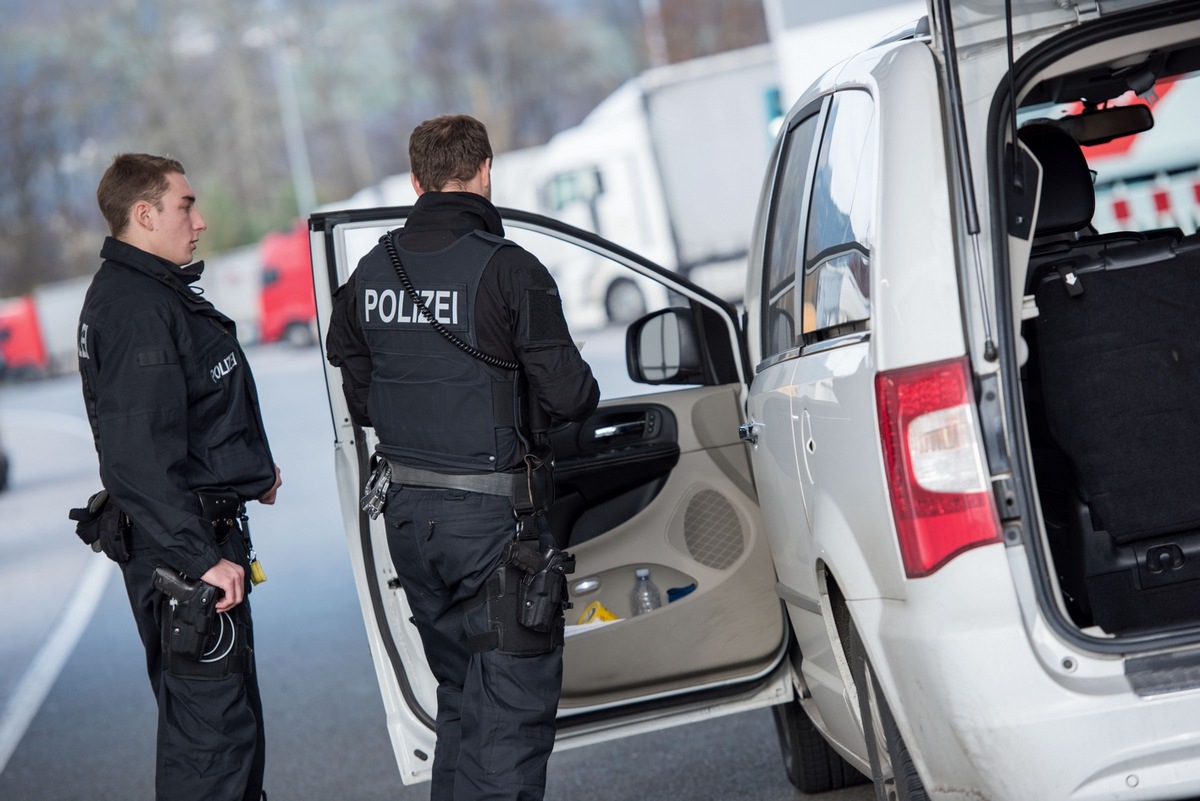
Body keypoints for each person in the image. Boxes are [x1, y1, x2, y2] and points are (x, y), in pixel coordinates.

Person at [326, 114, 599, 801]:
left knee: (463, 701)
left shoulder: (370, 270)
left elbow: (359, 389)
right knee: (509, 717)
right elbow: (571, 399)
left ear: (416, 181)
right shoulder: (510, 270)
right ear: (484, 171)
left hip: (410, 521)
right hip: (493, 527)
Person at [76, 153, 281, 801]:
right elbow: (137, 456)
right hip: (184, 563)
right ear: (144, 215)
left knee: (227, 743)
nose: (200, 220)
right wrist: (201, 558)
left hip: (194, 546)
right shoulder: (137, 308)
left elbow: (182, 414)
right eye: (186, 205)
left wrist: (250, 469)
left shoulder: (150, 294)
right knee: (211, 757)